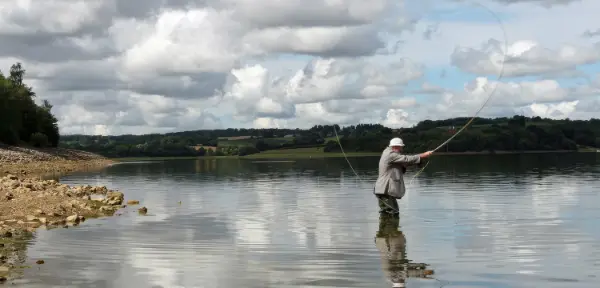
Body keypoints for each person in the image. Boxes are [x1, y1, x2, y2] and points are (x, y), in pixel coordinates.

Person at [374, 137, 433, 216]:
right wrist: (423, 155)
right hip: (386, 190)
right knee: (393, 212)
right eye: (401, 147)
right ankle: (391, 227)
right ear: (396, 146)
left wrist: (419, 160)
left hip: (382, 190)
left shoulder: (388, 153)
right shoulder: (390, 154)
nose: (402, 149)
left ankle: (386, 228)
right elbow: (406, 159)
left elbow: (404, 162)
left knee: (386, 213)